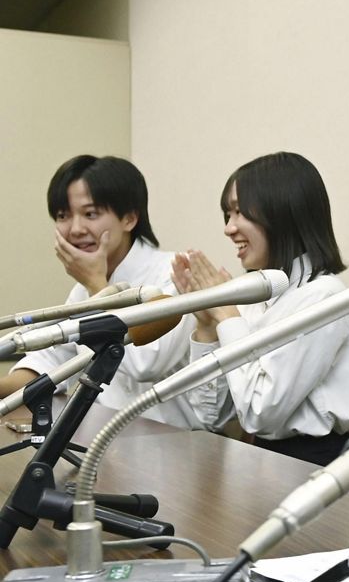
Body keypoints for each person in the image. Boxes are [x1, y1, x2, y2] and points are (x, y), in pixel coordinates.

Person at [171, 152, 349, 465]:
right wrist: (207, 326)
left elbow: (260, 414)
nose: (228, 228)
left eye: (238, 212)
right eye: (227, 214)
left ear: (283, 212)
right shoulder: (255, 296)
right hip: (258, 460)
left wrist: (227, 315)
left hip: (313, 464)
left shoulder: (324, 296)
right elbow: (210, 415)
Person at [0, 155, 201, 428]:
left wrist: (97, 284)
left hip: (173, 443)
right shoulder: (84, 287)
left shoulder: (174, 272)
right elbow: (51, 360)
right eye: (63, 216)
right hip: (105, 437)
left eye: (90, 214)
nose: (75, 229)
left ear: (129, 218)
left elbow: (145, 363)